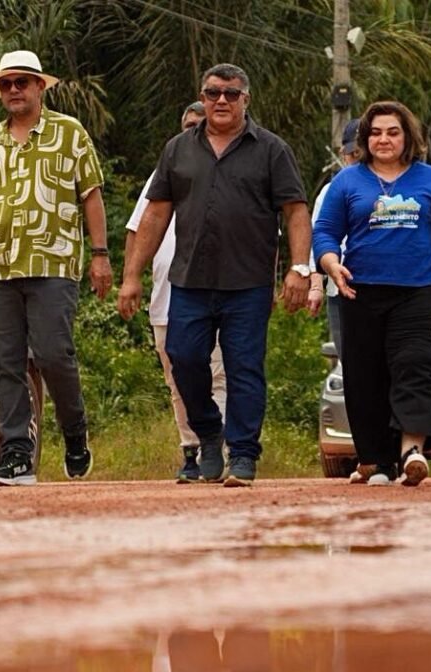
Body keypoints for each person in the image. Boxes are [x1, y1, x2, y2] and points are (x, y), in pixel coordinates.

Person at [117, 63, 311, 487]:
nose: (221, 100)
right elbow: (154, 215)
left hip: (249, 282)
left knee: (244, 368)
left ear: (246, 100)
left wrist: (300, 268)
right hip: (189, 281)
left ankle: (242, 454)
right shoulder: (178, 149)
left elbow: (296, 211)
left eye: (231, 93)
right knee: (183, 358)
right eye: (212, 93)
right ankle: (208, 433)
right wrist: (132, 275)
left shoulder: (272, 149)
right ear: (202, 98)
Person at [0, 50, 112, 486]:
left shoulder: (69, 132)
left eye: (21, 82)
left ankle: (75, 433)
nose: (13, 90)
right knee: (5, 363)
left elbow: (92, 195)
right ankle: (17, 455)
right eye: (6, 84)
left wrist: (100, 255)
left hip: (53, 261)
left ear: (40, 86)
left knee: (52, 355)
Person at [313, 100, 431, 486]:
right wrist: (331, 263)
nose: (384, 139)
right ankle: (377, 461)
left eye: (393, 132)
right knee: (366, 377)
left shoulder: (430, 180)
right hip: (359, 291)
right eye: (376, 132)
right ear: (365, 138)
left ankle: (411, 451)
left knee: (414, 366)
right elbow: (325, 232)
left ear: (407, 137)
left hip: (415, 291)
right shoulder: (347, 182)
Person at [123, 101, 228, 483]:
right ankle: (191, 450)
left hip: (218, 294)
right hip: (167, 299)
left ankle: (215, 450)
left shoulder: (228, 172)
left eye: (200, 125)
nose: (194, 131)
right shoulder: (164, 175)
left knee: (216, 375)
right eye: (188, 125)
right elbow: (137, 231)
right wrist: (129, 279)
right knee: (179, 380)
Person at [310, 118, 362, 355]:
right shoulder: (330, 191)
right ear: (344, 154)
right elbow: (319, 237)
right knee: (350, 365)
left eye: (364, 152)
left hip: (382, 285)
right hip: (339, 290)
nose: (358, 159)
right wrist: (316, 285)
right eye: (354, 154)